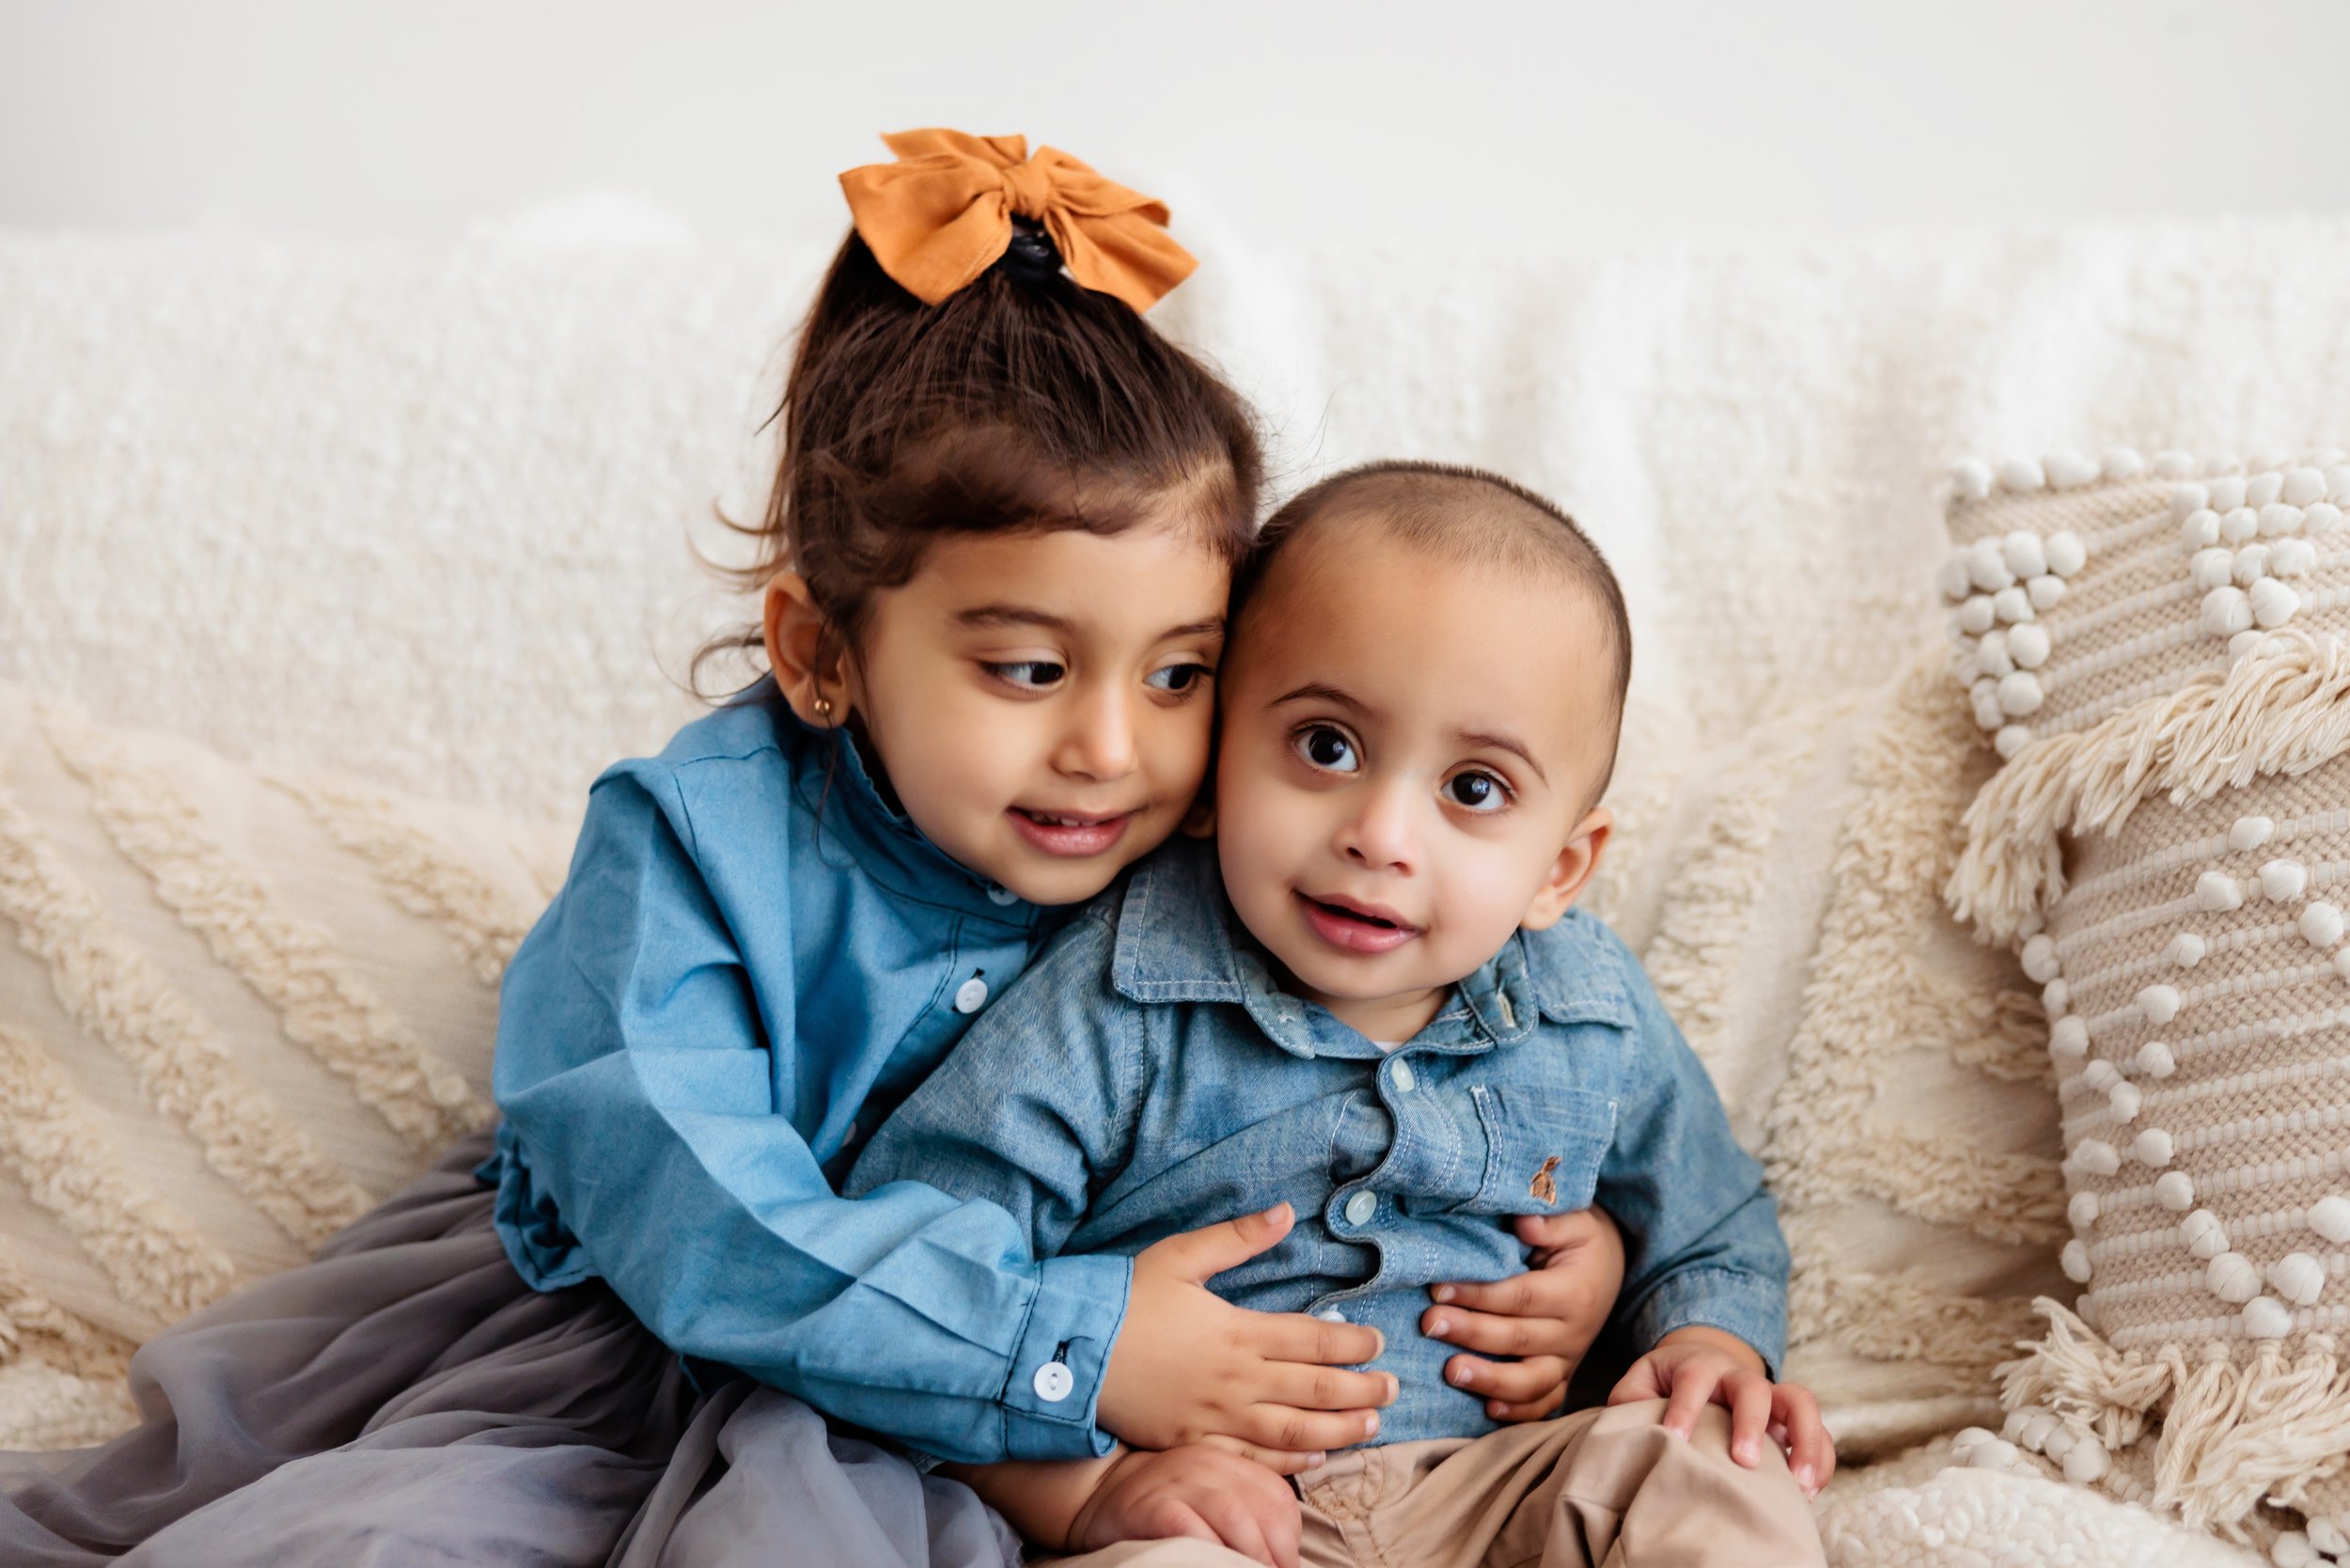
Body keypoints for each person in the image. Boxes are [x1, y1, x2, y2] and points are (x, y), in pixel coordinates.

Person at [0, 135, 1622, 1568]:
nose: (1112, 747)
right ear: (821, 650)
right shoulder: (689, 848)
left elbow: (1385, 1100)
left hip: (999, 1429)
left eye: (1181, 672)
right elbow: (702, 1224)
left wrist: (1587, 1260)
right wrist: (1074, 1342)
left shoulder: (1243, 855)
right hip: (632, 1355)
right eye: (1028, 668)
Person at [846, 463, 1836, 1568]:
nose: (1380, 834)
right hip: (1213, 1509)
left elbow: (1708, 1221)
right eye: (1326, 746)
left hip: (1497, 1488)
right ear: (1214, 765)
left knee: (1701, 1460)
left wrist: (1704, 1340)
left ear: (1560, 868)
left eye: (1473, 789)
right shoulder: (1112, 995)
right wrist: (1090, 1491)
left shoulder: (1587, 1009)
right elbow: (918, 1284)